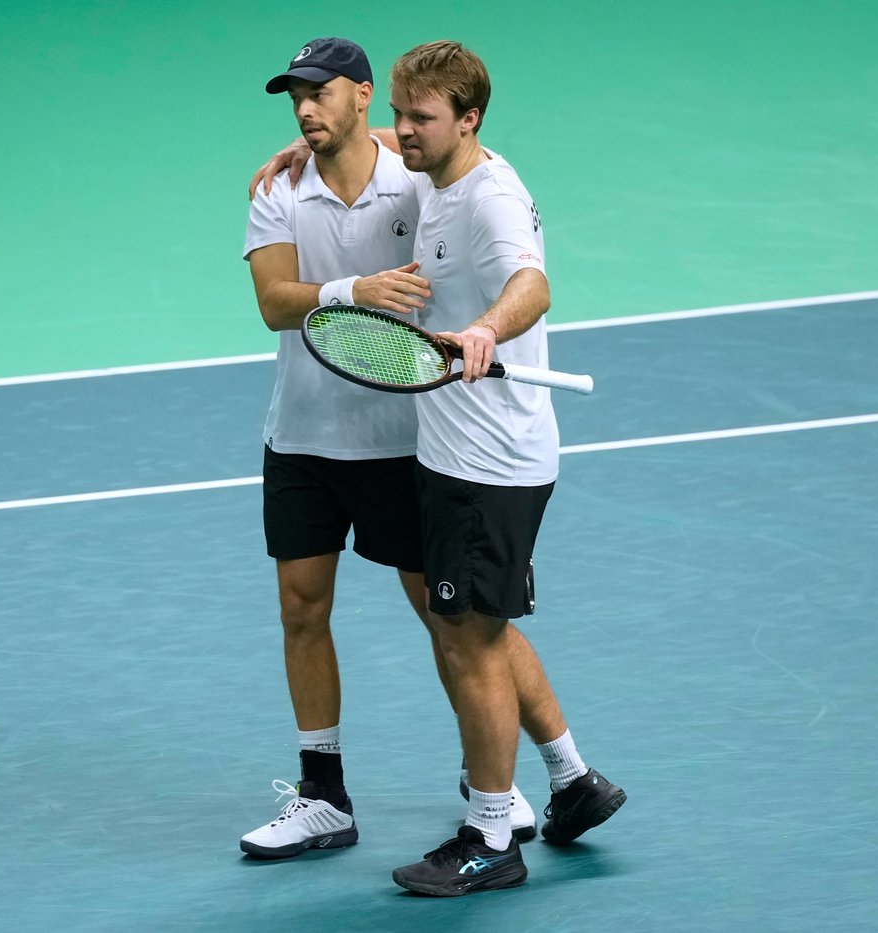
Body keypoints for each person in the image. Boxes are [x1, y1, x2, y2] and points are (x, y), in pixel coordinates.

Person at [238, 36, 541, 860]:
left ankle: (502, 786)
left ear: (362, 96)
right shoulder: (278, 188)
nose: (305, 109)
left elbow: (478, 167)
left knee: (453, 624)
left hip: (404, 440)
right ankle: (324, 795)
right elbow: (273, 302)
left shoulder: (417, 169)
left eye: (321, 94)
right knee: (302, 609)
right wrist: (354, 291)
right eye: (294, 98)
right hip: (302, 436)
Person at [377, 40, 627, 897]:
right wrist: (315, 145)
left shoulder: (491, 199)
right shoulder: (433, 167)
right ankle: (572, 779)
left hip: (489, 465)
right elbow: (378, 142)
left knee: (470, 640)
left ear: (469, 121)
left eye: (422, 118)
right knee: (479, 625)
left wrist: (487, 326)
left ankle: (491, 833)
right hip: (454, 456)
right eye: (401, 114)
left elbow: (533, 283)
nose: (404, 131)